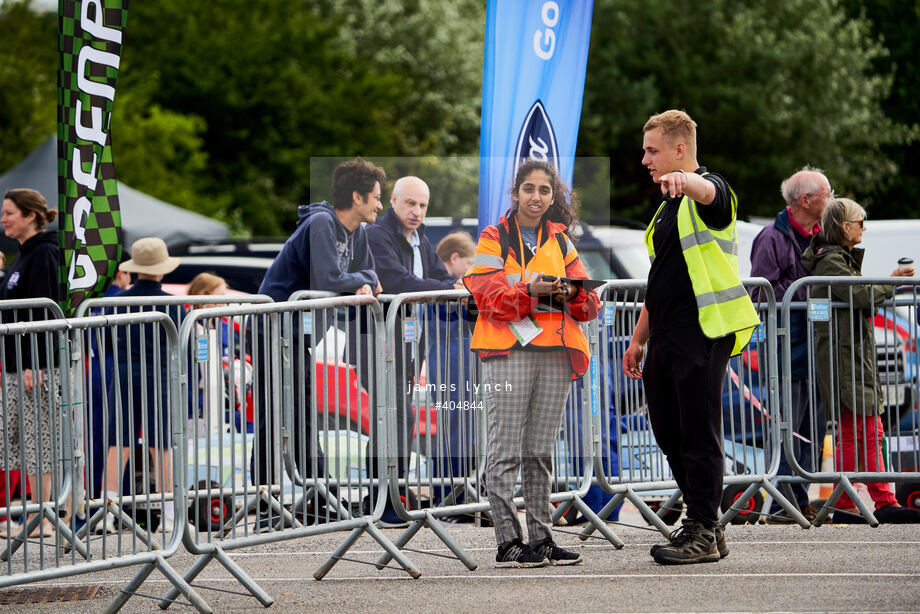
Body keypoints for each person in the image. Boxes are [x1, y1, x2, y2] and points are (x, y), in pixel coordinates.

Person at [622, 110, 760, 565]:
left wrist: (688, 181)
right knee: (667, 430)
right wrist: (638, 338)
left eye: (652, 150)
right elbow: (661, 278)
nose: (645, 159)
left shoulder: (709, 191)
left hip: (703, 328)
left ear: (680, 150)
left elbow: (710, 190)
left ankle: (702, 527)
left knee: (698, 430)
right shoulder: (665, 208)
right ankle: (708, 523)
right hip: (664, 332)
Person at [464, 159, 600, 568]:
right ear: (516, 193)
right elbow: (485, 295)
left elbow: (590, 304)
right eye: (529, 189)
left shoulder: (561, 239)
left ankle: (541, 538)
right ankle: (508, 542)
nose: (537, 197)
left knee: (540, 451)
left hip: (556, 353)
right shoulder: (494, 237)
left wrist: (568, 293)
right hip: (509, 352)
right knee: (504, 451)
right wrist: (529, 290)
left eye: (545, 190)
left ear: (553, 196)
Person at [252, 158, 383, 528]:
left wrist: (359, 279)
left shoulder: (356, 232)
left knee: (304, 415)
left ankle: (317, 494)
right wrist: (358, 279)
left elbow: (371, 275)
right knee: (273, 416)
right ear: (356, 197)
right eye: (375, 198)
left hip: (298, 336)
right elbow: (329, 275)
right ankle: (266, 503)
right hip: (271, 329)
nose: (379, 206)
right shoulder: (321, 223)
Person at [801, 197, 920, 523]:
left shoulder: (836, 258)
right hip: (845, 360)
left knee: (862, 433)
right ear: (843, 226)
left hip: (850, 357)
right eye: (859, 221)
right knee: (868, 432)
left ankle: (845, 501)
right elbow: (859, 295)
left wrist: (887, 282)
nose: (863, 226)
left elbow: (859, 297)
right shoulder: (831, 261)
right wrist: (893, 281)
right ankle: (882, 501)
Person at [364, 176, 459, 526]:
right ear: (392, 201)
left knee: (397, 417)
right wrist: (441, 286)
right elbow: (398, 281)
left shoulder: (420, 239)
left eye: (422, 205)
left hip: (407, 340)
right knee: (392, 416)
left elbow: (440, 277)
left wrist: (444, 285)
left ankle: (388, 495)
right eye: (410, 203)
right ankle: (383, 497)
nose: (417, 211)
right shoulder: (377, 235)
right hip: (374, 339)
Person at [751, 167, 833, 523]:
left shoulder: (823, 234)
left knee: (814, 428)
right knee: (788, 427)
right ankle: (786, 504)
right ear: (806, 200)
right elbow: (760, 291)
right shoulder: (771, 237)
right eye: (827, 194)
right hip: (787, 347)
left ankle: (801, 499)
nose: (831, 200)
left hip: (816, 346)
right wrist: (803, 291)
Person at [96, 237, 185, 534]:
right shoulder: (173, 303)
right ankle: (170, 515)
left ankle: (107, 514)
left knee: (116, 445)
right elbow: (180, 344)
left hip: (122, 375)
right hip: (158, 377)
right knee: (161, 447)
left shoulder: (118, 302)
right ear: (161, 270)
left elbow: (106, 341)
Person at [0, 188, 63, 539]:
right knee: (14, 441)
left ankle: (44, 517)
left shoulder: (45, 254)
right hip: (15, 365)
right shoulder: (23, 254)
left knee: (39, 441)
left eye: (9, 213)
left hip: (33, 366)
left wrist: (34, 363)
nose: (4, 219)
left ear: (30, 215)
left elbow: (44, 312)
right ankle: (29, 514)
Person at [86, 256, 131, 507]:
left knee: (97, 439)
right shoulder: (120, 301)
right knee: (117, 438)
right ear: (120, 273)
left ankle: (95, 497)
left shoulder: (94, 301)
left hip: (95, 371)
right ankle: (118, 501)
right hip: (115, 370)